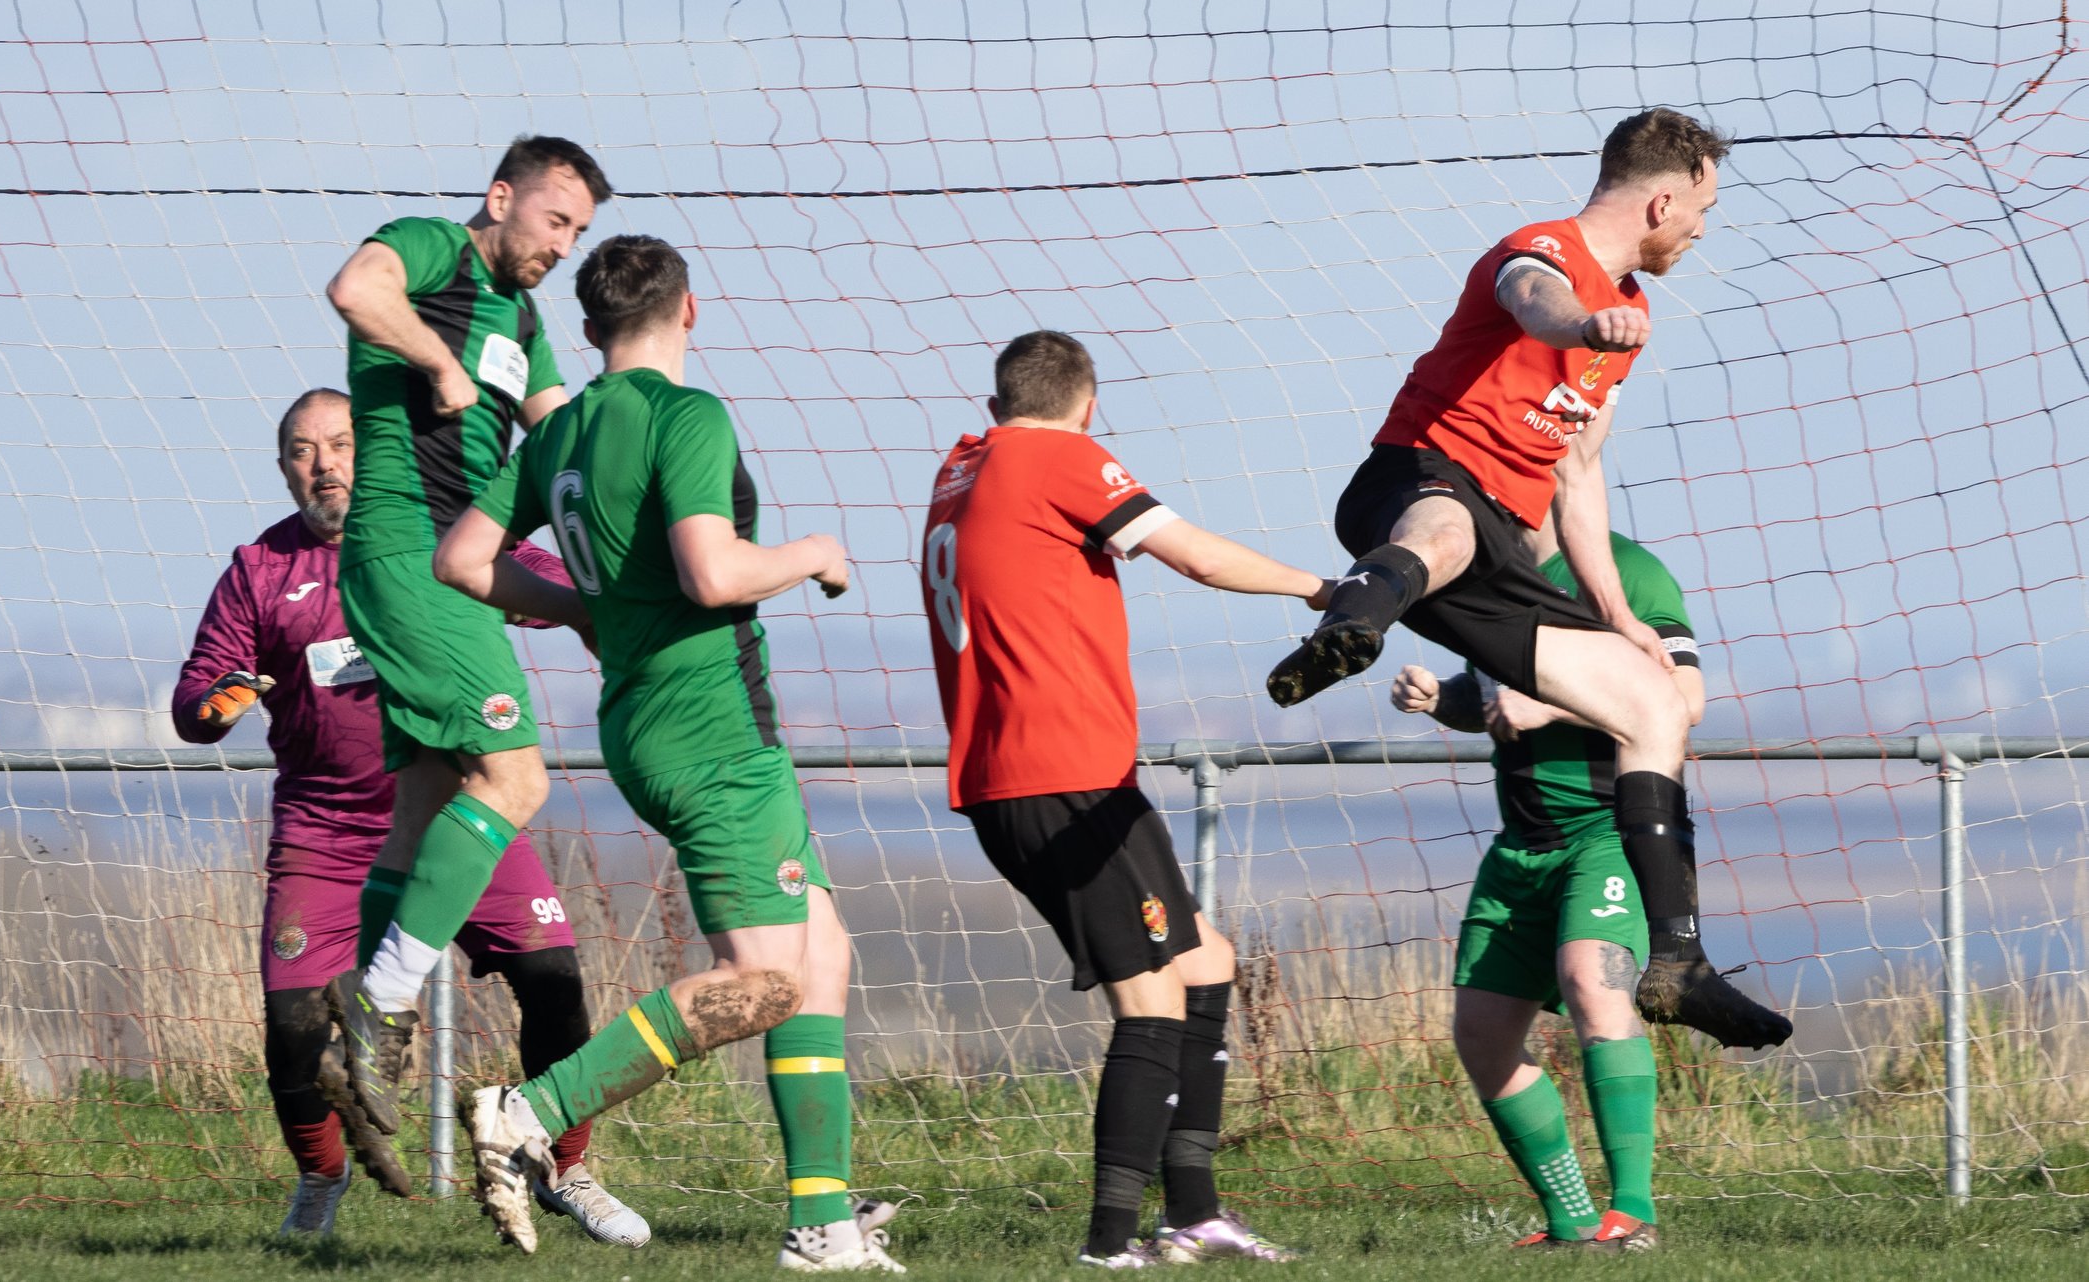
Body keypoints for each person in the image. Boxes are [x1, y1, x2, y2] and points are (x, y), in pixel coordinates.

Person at [1264, 108, 1786, 1050]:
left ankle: (1677, 960)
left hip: (1502, 539)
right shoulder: (1542, 253)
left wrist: (1621, 617)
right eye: (1704, 208)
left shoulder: (1636, 312)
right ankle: (1361, 609)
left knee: (1654, 706)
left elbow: (1578, 473)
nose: (1704, 229)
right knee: (1449, 524)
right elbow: (1534, 298)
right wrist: (1585, 319)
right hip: (1410, 480)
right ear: (1665, 198)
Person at [435, 234, 899, 1272]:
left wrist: (576, 609)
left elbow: (461, 559)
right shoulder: (686, 414)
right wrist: (815, 555)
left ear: (591, 332)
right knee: (769, 978)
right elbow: (710, 571)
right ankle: (531, 1110)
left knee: (819, 955)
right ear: (689, 312)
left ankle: (822, 1227)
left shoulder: (559, 433)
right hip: (711, 727)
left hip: (645, 718)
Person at [171, 386, 646, 1243]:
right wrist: (221, 699)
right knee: (293, 1031)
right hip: (325, 837)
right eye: (303, 451)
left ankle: (564, 1168)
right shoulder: (258, 571)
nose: (325, 465)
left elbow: (543, 580)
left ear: (369, 451)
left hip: (464, 817)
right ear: (284, 470)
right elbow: (195, 703)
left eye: (340, 444)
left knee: (556, 981)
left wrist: (608, 605)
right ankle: (321, 1180)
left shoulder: (435, 537)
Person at [920, 330, 1322, 1268]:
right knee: (1150, 1002)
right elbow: (1198, 559)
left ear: (992, 406)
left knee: (1205, 962)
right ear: (1090, 406)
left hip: (1048, 777)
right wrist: (1322, 588)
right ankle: (1110, 1244)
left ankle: (1195, 1213)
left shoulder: (962, 469)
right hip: (1057, 776)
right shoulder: (1059, 452)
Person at [317, 134, 607, 1154]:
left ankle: (352, 1053)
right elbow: (354, 286)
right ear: (500, 197)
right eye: (553, 219)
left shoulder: (524, 319)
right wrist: (436, 361)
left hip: (456, 571)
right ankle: (378, 1005)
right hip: (405, 547)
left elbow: (564, 433)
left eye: (579, 231)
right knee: (515, 780)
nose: (563, 244)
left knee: (428, 805)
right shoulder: (433, 247)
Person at [1390, 526, 1705, 1254]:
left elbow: (1684, 697)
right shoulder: (1482, 574)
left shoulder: (1628, 571)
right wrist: (1443, 698)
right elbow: (1498, 697)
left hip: (1610, 827)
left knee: (1595, 987)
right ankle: (1570, 1221)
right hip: (1522, 845)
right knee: (1482, 1033)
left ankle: (1633, 1214)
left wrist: (1552, 706)